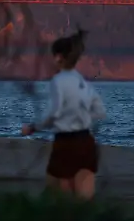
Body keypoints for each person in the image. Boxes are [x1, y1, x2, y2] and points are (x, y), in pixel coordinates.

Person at [21, 28, 106, 200]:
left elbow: (55, 113)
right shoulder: (83, 82)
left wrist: (33, 127)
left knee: (57, 196)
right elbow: (100, 112)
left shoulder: (58, 81)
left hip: (65, 143)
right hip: (86, 142)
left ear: (59, 57)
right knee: (85, 201)